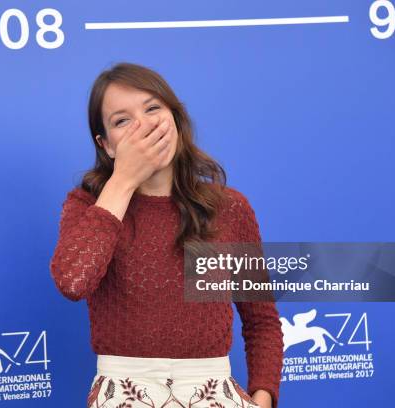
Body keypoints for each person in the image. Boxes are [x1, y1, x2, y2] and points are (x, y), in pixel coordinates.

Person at [49, 62, 283, 408]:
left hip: (215, 393)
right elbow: (72, 281)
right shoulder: (88, 205)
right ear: (106, 144)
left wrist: (262, 399)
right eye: (122, 120)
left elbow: (261, 320)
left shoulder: (229, 208)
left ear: (175, 119)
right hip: (124, 394)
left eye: (153, 108)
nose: (143, 125)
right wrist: (124, 181)